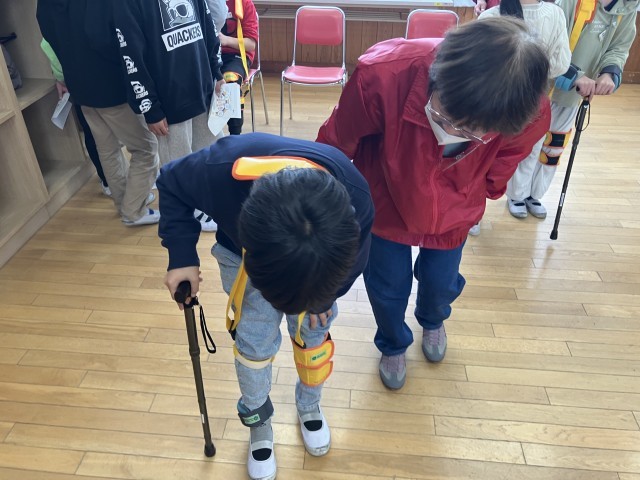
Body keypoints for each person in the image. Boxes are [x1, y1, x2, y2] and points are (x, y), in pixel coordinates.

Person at [316, 17, 551, 390]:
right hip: (386, 198)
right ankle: (393, 342)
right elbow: (336, 143)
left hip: (457, 204)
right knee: (386, 286)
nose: (454, 133)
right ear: (439, 77)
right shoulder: (383, 74)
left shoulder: (526, 109)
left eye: (472, 130)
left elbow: (511, 154)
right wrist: (326, 202)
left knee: (441, 283)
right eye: (447, 117)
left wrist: (489, 186)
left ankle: (433, 319)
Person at [158, 133, 373, 480]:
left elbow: (356, 259)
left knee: (313, 337)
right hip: (242, 259)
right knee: (253, 345)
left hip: (316, 277)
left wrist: (323, 297)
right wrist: (181, 255)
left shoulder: (356, 195)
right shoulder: (217, 170)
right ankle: (258, 420)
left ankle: (309, 404)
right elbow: (171, 182)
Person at [505, 0, 638, 219]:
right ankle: (517, 194)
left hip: (574, 94)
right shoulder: (571, 2)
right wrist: (575, 75)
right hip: (544, 86)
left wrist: (609, 72)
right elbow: (548, 43)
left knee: (554, 144)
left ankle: (534, 194)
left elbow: (619, 47)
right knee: (531, 142)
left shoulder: (628, 7)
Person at [37, 0, 160, 227]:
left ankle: (126, 202)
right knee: (146, 148)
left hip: (79, 87)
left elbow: (49, 44)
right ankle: (133, 210)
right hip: (110, 85)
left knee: (108, 150)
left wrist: (64, 73)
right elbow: (105, 40)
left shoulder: (44, 5)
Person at [112, 0, 226, 232]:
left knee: (210, 152)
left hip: (202, 87)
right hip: (169, 101)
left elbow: (208, 27)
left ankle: (206, 200)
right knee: (179, 163)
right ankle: (190, 210)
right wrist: (150, 107)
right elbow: (131, 56)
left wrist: (216, 71)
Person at [472, 0, 571, 231]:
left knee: (488, 156)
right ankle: (504, 201)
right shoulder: (492, 17)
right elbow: (559, 64)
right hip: (521, 102)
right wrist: (533, 70)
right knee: (514, 154)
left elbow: (477, 67)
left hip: (508, 103)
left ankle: (485, 209)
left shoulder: (492, 17)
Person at [40, 38, 112, 197]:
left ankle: (108, 181)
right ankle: (119, 179)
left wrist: (60, 78)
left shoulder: (51, 21)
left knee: (92, 132)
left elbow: (48, 45)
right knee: (112, 131)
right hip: (103, 74)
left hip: (77, 81)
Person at [219, 0, 259, 135]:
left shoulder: (245, 4)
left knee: (231, 80)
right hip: (211, 54)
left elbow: (251, 44)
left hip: (237, 55)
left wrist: (226, 40)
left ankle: (235, 135)